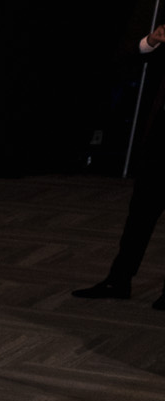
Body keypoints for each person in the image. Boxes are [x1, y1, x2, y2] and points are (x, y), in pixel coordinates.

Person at [71, 20, 165, 307]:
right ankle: (119, 279)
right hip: (160, 141)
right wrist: (151, 40)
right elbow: (128, 58)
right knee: (140, 215)